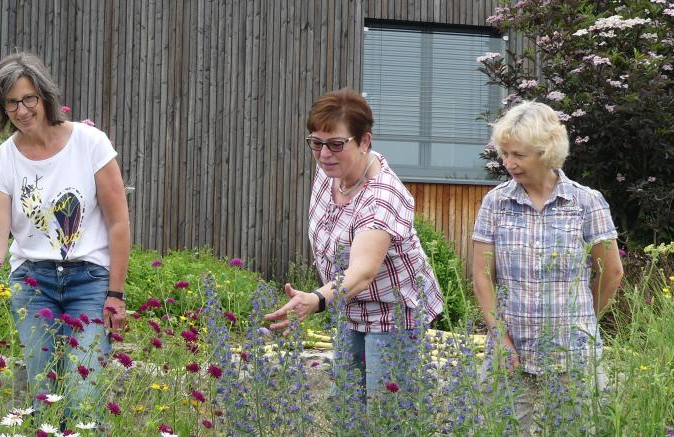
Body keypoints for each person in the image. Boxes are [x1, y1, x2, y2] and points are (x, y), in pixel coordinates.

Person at [0, 52, 131, 426]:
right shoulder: (1, 163)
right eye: (11, 102)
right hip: (33, 284)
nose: (22, 109)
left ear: (44, 96)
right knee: (45, 396)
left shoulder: (90, 143)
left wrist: (116, 294)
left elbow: (118, 223)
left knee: (83, 397)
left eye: (28, 98)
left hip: (90, 282)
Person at [264, 88, 444, 400]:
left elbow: (363, 271)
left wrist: (317, 299)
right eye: (316, 143)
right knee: (347, 411)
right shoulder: (331, 172)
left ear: (364, 142)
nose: (323, 154)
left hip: (395, 317)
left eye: (335, 144)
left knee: (387, 416)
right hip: (350, 310)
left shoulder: (382, 196)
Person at [470, 101, 623, 435]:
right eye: (504, 153)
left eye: (518, 155)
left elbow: (611, 272)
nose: (508, 163)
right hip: (510, 347)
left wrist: (582, 323)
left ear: (547, 151)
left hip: (574, 353)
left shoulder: (586, 203)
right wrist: (499, 333)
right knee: (496, 429)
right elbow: (482, 276)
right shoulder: (495, 203)